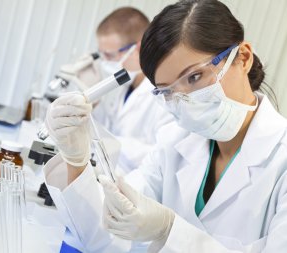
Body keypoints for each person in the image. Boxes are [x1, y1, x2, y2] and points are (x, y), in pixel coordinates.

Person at [43, 0, 287, 252]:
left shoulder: (281, 160)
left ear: (243, 58)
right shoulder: (174, 142)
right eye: (168, 92)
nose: (186, 101)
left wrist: (170, 230)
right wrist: (75, 161)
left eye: (194, 77)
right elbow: (103, 234)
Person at [91, 7, 173, 173]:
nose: (105, 62)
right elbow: (109, 127)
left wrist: (112, 143)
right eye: (102, 55)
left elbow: (164, 156)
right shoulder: (127, 85)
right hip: (111, 174)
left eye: (110, 55)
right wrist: (93, 100)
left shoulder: (166, 94)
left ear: (138, 48)